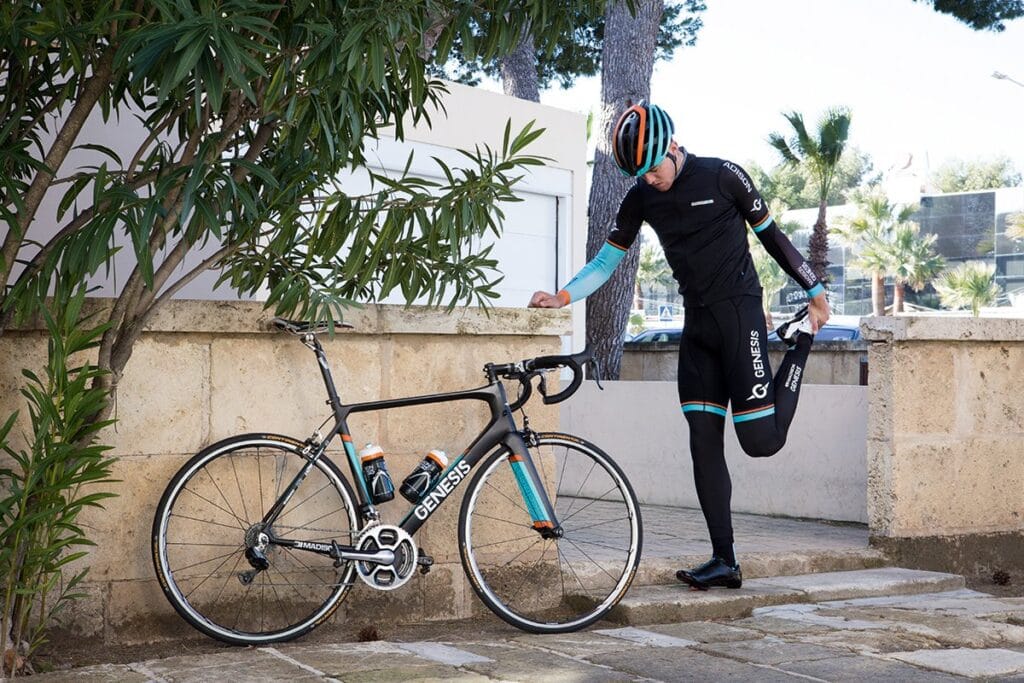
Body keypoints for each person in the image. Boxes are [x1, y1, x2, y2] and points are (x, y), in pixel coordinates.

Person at [529, 102, 830, 590]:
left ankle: (799, 342)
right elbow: (605, 263)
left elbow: (773, 237)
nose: (650, 180)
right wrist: (562, 296)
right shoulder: (641, 198)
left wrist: (814, 289)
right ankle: (724, 561)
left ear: (672, 145)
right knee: (703, 446)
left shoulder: (723, 176)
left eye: (653, 169)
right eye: (639, 174)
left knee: (762, 442)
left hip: (740, 317)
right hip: (697, 331)